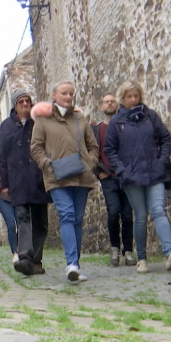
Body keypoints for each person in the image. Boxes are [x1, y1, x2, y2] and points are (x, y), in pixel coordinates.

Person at [104, 80, 171, 274]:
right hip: (132, 177)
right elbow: (110, 150)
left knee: (158, 210)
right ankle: (141, 258)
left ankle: (169, 254)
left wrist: (162, 160)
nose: (133, 99)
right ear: (122, 99)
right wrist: (122, 170)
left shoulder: (151, 116)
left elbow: (165, 138)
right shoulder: (117, 122)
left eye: (136, 96)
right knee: (140, 216)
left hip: (155, 172)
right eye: (129, 96)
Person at [30, 81, 98, 282]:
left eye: (70, 93)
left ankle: (75, 264)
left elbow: (93, 146)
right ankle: (71, 264)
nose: (68, 97)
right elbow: (36, 147)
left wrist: (90, 163)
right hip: (57, 177)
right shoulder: (43, 120)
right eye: (63, 93)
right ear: (54, 95)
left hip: (81, 175)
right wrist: (47, 164)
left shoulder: (79, 118)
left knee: (77, 219)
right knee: (67, 215)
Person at [0, 88, 50, 276]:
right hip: (17, 180)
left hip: (39, 179)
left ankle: (36, 260)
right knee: (23, 218)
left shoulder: (39, 121)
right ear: (15, 105)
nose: (26, 105)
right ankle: (25, 257)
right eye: (21, 102)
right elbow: (2, 157)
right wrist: (5, 183)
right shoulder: (6, 126)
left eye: (28, 101)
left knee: (41, 221)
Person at [92, 93, 136, 267]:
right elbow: (90, 151)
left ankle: (128, 251)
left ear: (117, 105)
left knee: (127, 214)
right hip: (107, 176)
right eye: (106, 101)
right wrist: (98, 172)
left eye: (112, 101)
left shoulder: (124, 125)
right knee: (113, 212)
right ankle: (115, 248)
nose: (109, 104)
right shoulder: (96, 129)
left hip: (125, 174)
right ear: (101, 106)